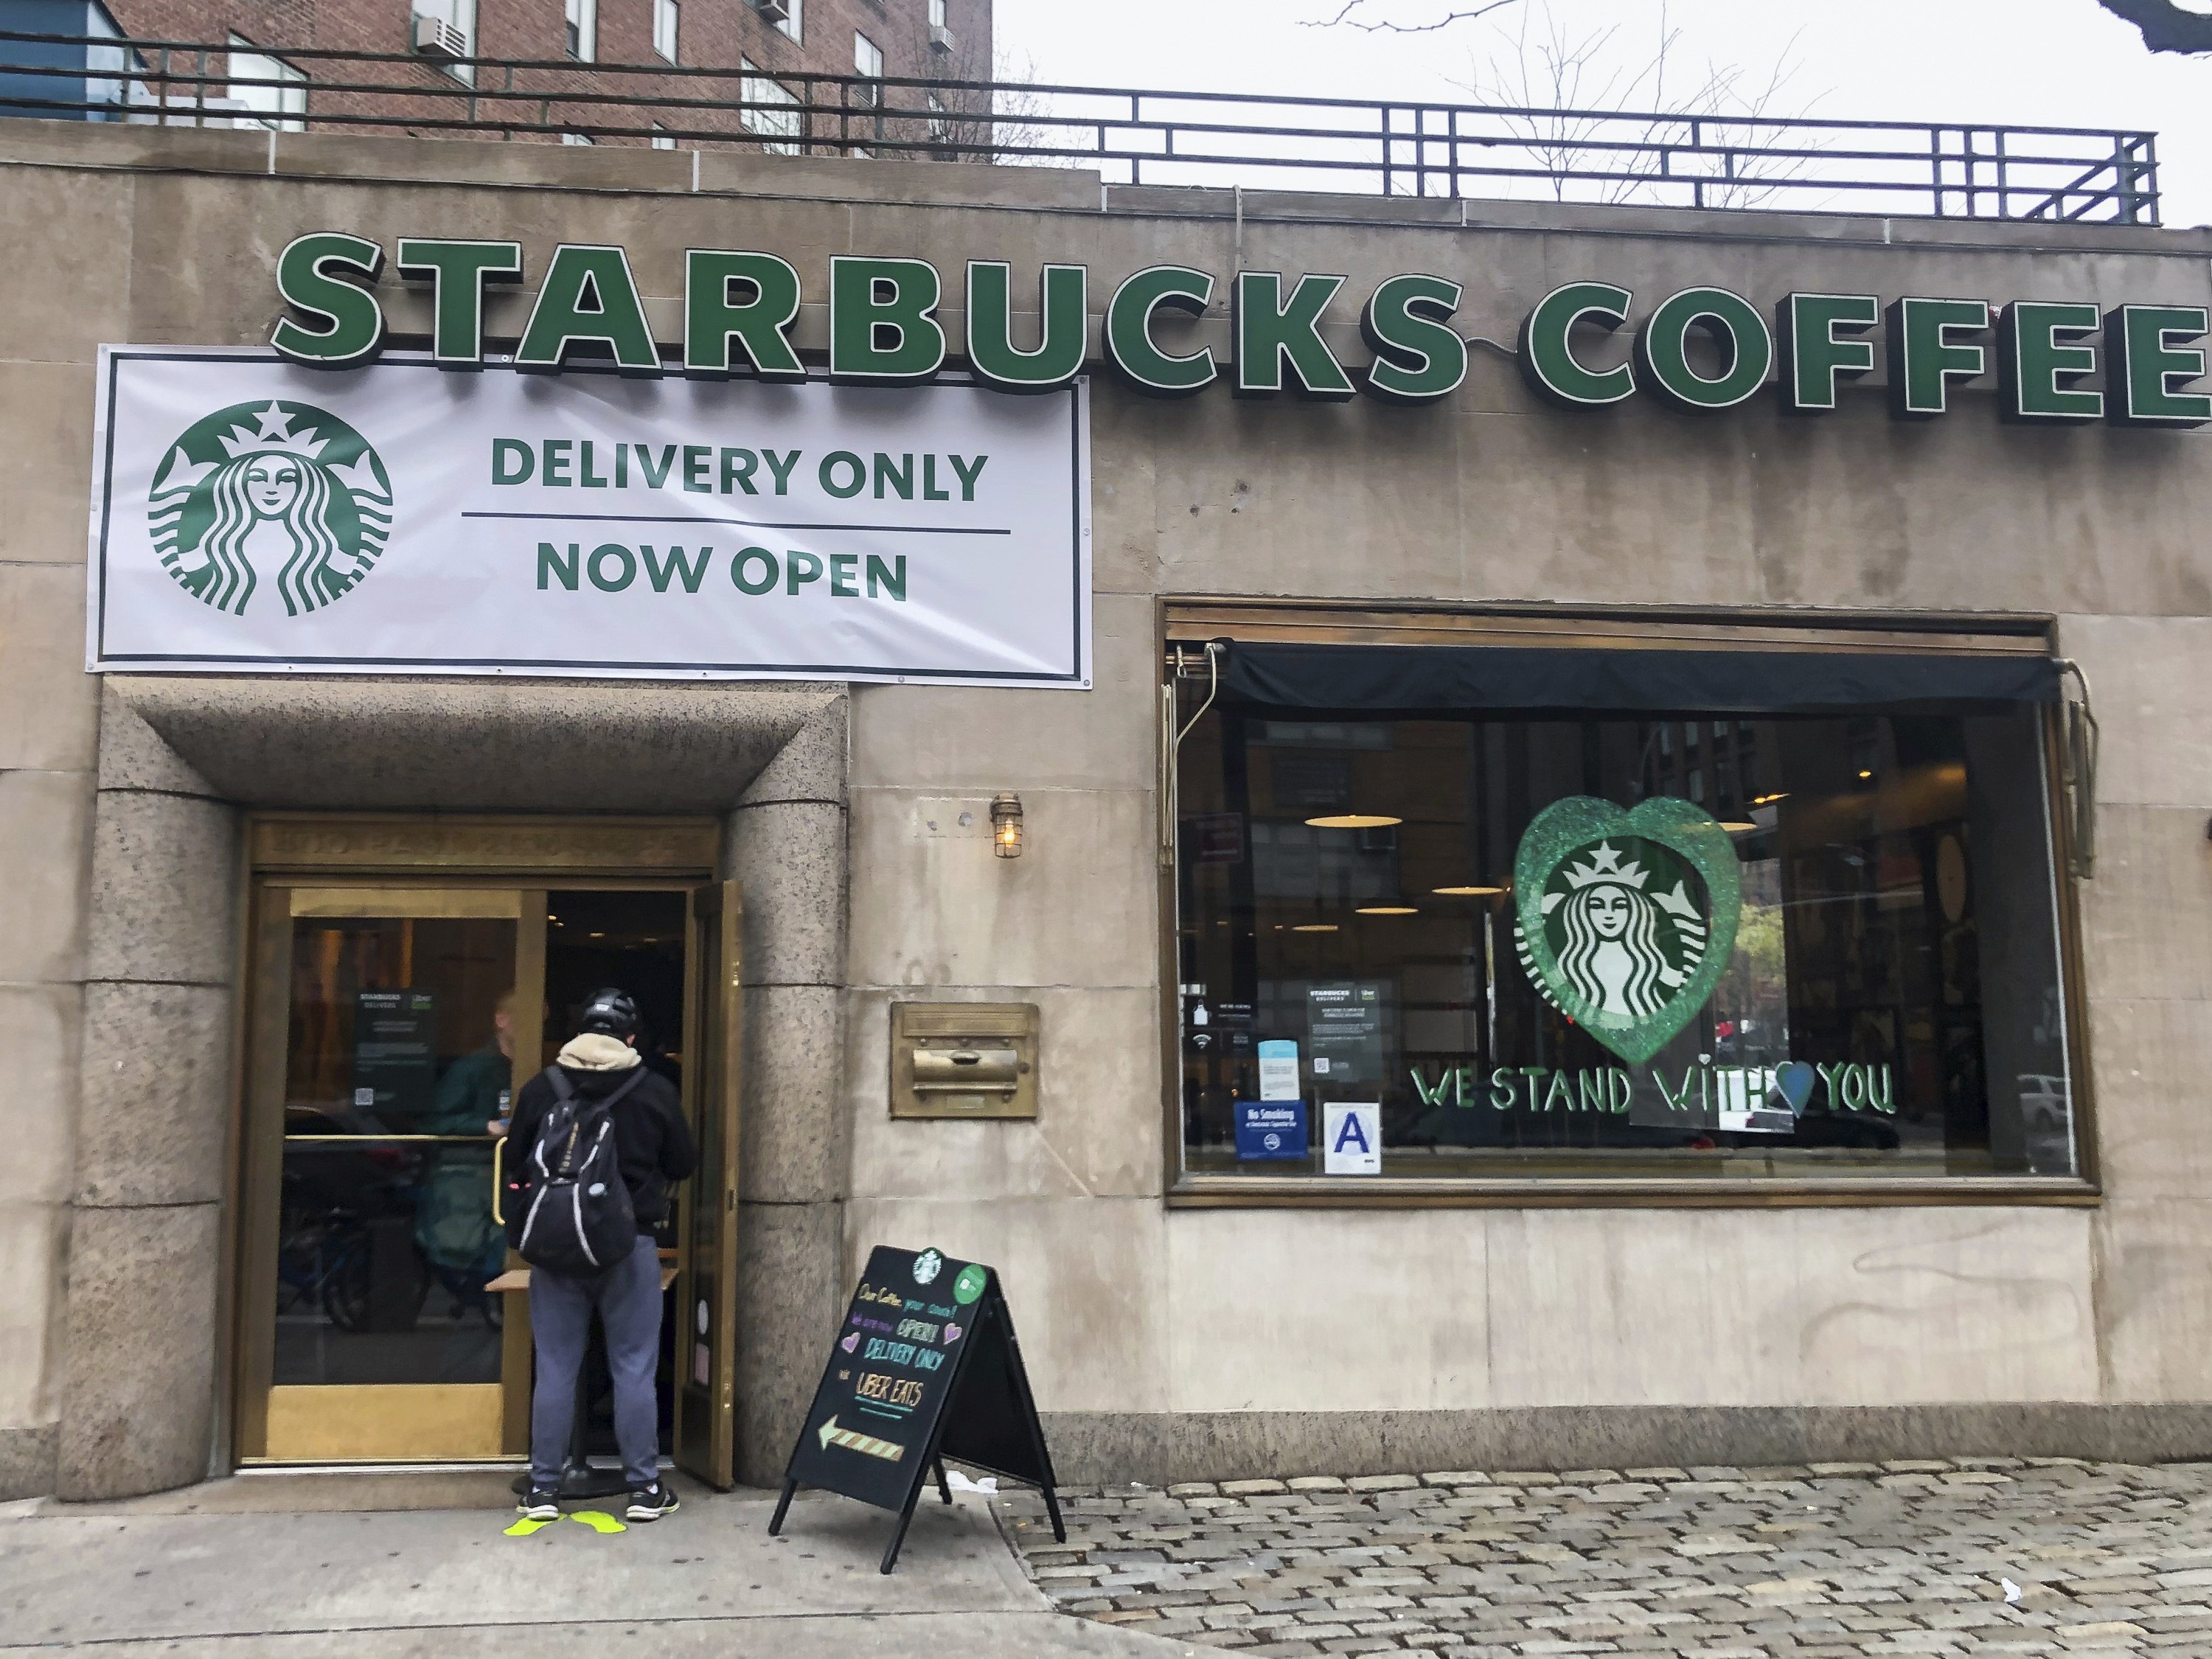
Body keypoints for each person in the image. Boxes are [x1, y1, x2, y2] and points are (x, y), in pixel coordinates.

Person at [496, 987, 696, 1523]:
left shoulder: (544, 1086)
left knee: (557, 1366)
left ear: (577, 1031)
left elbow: (515, 1159)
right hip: (628, 1246)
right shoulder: (652, 1088)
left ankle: (542, 1489)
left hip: (558, 1249)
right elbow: (684, 1161)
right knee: (633, 1366)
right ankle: (644, 1489)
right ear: (631, 1037)